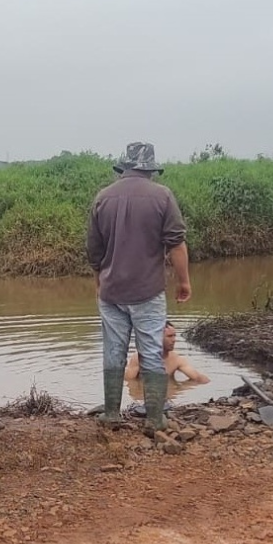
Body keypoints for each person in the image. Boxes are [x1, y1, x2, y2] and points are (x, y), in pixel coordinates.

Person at [86, 141, 191, 431]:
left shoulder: (102, 197)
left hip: (111, 292)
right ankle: (156, 418)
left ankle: (111, 413)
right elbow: (176, 244)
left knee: (113, 350)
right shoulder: (162, 196)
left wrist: (100, 284)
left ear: (124, 166)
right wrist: (184, 281)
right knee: (151, 350)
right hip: (148, 291)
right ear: (150, 169)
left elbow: (94, 252)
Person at [125, 321, 210, 384]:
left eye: (174, 336)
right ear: (157, 338)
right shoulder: (139, 358)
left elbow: (197, 378)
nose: (174, 340)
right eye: (169, 336)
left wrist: (179, 389)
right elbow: (129, 383)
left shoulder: (176, 359)